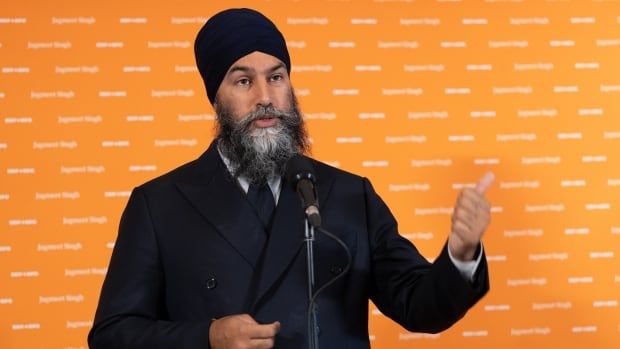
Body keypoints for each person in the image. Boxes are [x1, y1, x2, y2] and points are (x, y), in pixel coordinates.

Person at [88, 8, 493, 349]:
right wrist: (207, 337)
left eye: (276, 77)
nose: (265, 96)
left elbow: (419, 306)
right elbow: (112, 334)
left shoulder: (350, 195)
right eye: (243, 80)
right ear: (216, 97)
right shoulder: (161, 205)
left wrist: (460, 253)